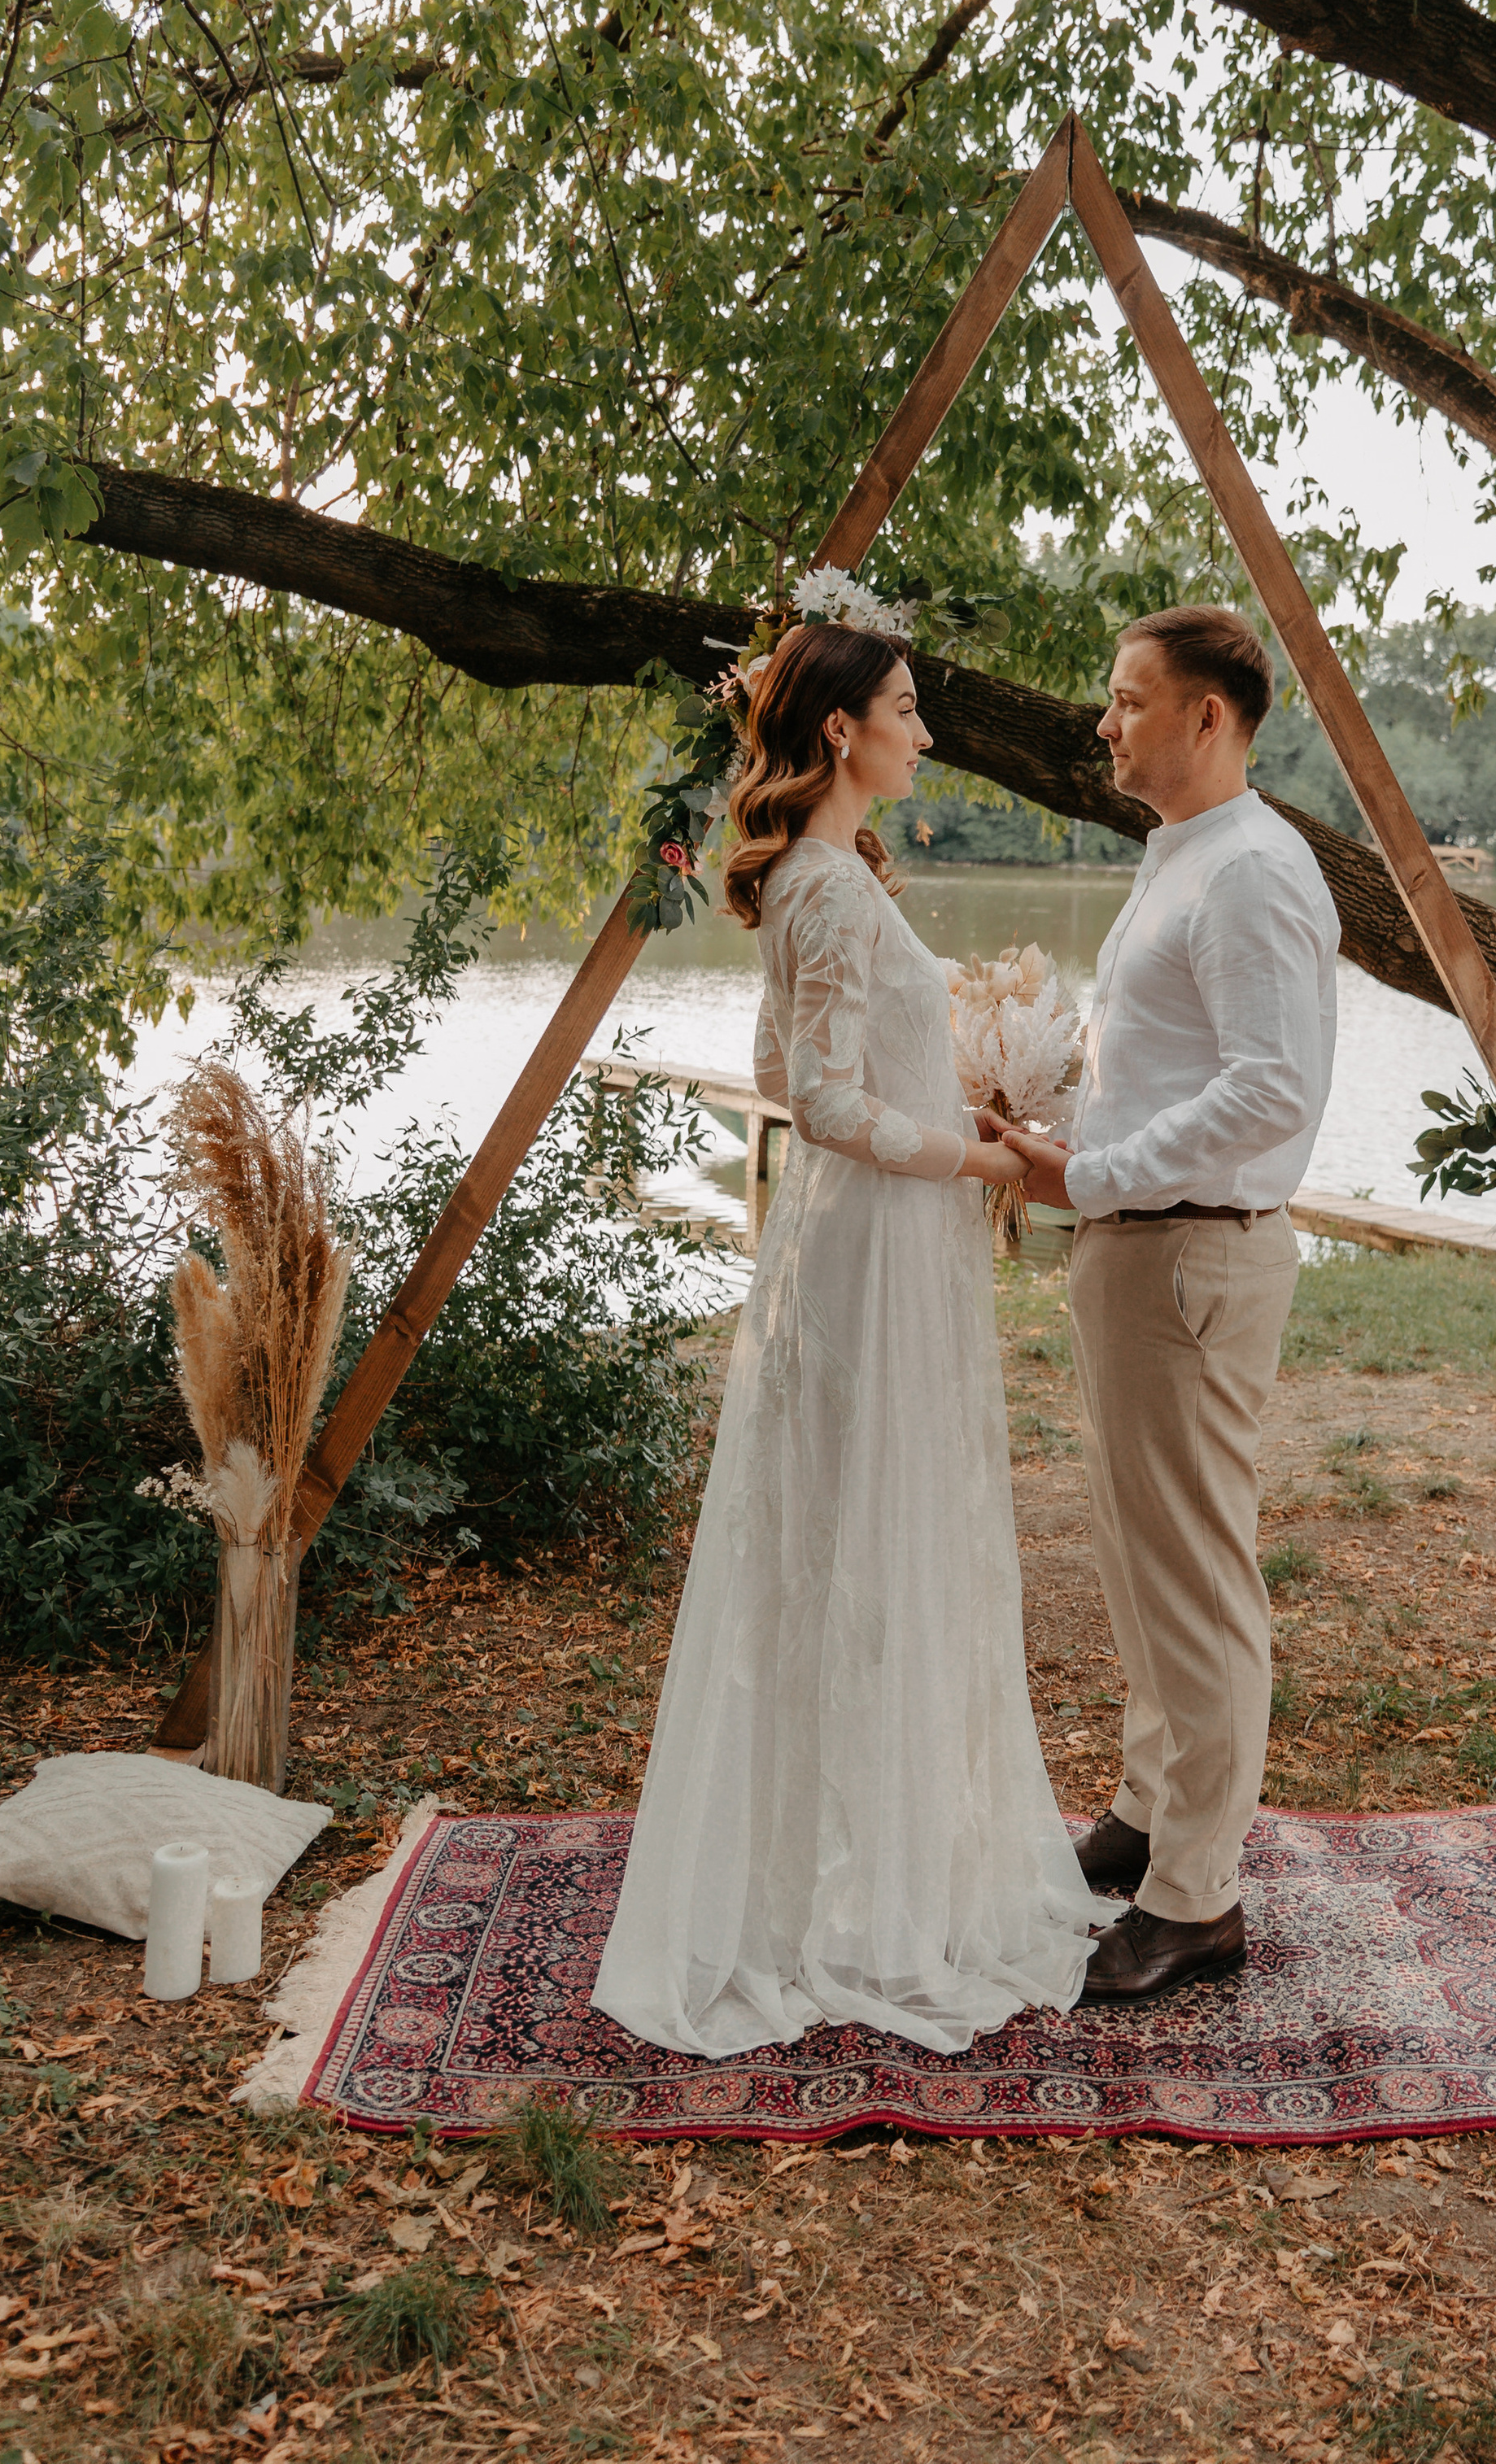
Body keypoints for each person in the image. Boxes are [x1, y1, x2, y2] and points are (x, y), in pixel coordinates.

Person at [594, 622, 1101, 2058]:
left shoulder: (824, 882)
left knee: (856, 1536)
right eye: (906, 708)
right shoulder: (821, 889)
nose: (924, 732)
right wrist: (980, 1156)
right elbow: (815, 1103)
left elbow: (775, 1072)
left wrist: (968, 1083)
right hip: (873, 1246)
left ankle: (859, 1855)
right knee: (858, 1540)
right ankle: (843, 1891)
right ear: (837, 733)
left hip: (868, 1240)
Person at [1002, 606, 1340, 2002]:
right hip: (1138, 1247)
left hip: (1191, 1252)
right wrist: (1050, 1123)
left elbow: (1272, 1089)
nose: (1105, 719)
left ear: (1211, 717)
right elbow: (1156, 1066)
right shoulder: (1180, 858)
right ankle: (1151, 1811)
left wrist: (1091, 1171)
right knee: (1141, 1553)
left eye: (1131, 699)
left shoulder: (1256, 872)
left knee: (1198, 1575)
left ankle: (1199, 1897)